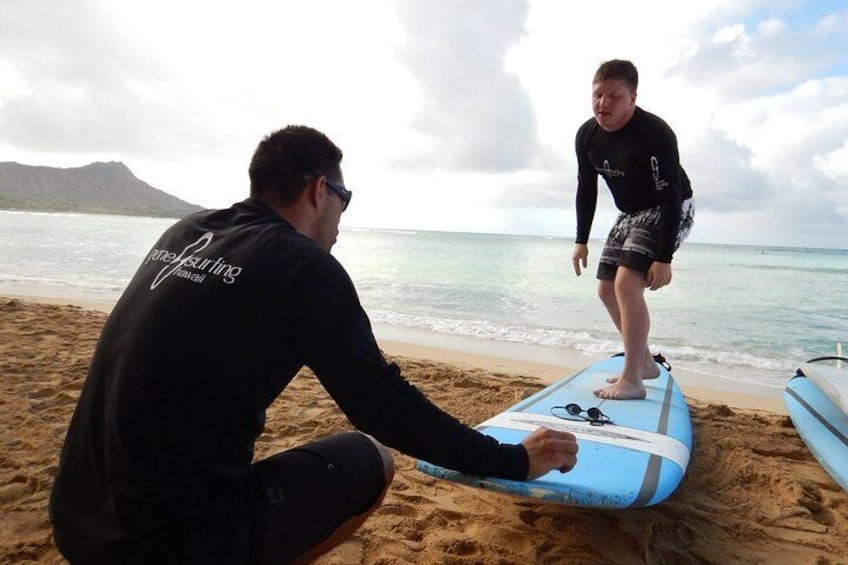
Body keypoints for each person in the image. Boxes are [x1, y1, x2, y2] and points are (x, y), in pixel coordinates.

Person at [50, 125, 579, 564]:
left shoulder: (187, 233)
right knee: (373, 459)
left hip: (76, 519)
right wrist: (511, 460)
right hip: (171, 545)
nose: (341, 222)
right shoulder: (305, 268)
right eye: (344, 201)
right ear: (319, 191)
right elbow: (383, 405)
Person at [571, 60, 695, 400]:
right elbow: (586, 187)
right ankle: (644, 364)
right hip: (631, 213)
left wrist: (664, 257)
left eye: (614, 96)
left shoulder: (655, 134)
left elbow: (670, 196)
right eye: (598, 95)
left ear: (632, 99)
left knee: (627, 284)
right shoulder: (587, 135)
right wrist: (581, 240)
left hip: (670, 207)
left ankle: (632, 381)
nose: (603, 104)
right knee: (606, 289)